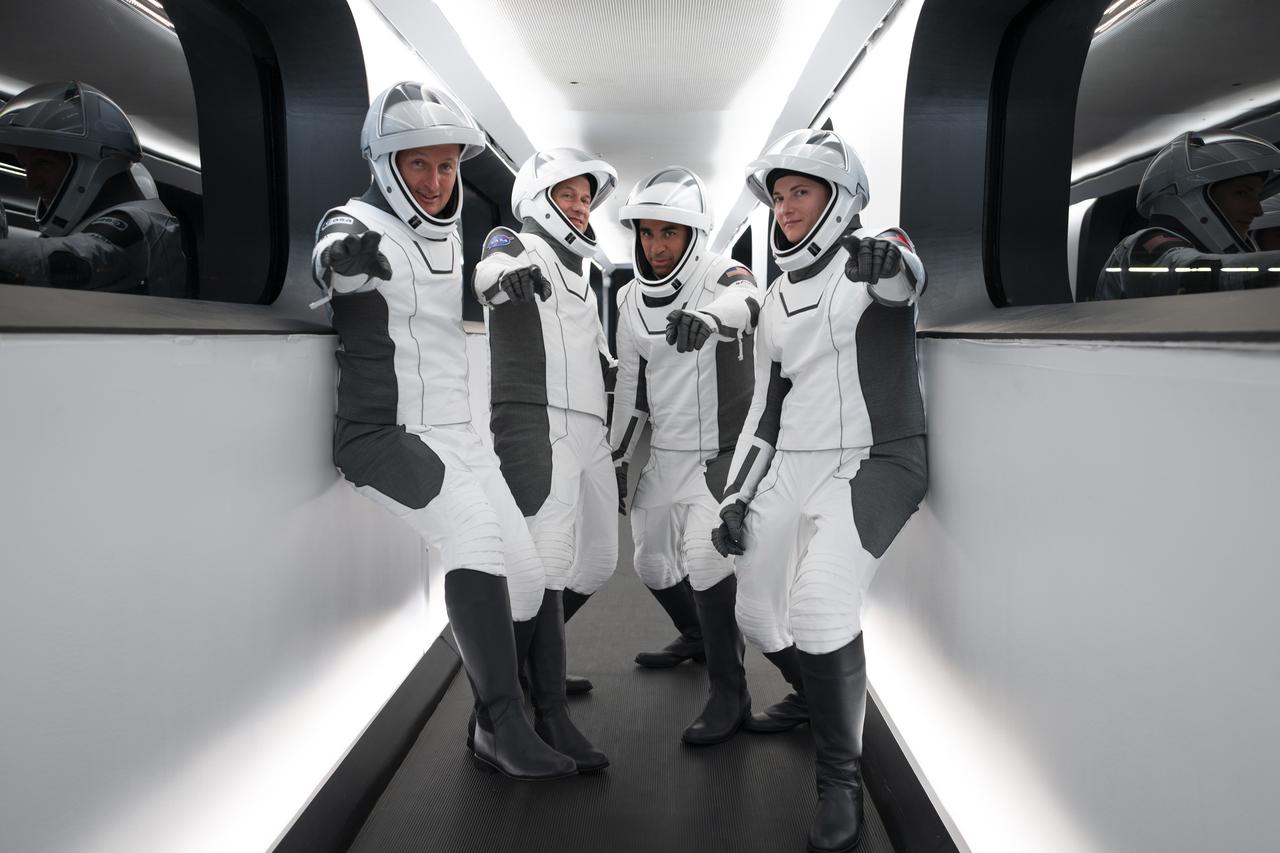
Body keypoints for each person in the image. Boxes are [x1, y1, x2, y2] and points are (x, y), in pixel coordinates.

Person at [310, 82, 606, 780]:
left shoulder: (448, 230)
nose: (437, 182)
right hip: (384, 433)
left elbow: (489, 267)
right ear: (385, 164)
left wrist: (501, 283)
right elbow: (330, 259)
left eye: (447, 166)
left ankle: (523, 715)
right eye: (419, 165)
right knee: (474, 542)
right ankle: (499, 726)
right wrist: (345, 266)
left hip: (457, 433)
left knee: (530, 577)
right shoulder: (350, 224)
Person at [712, 128, 928, 853]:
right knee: (755, 613)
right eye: (778, 196)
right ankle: (812, 694)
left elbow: (905, 277)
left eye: (800, 191)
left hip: (873, 460)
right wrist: (735, 496)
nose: (786, 207)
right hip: (792, 462)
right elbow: (763, 413)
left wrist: (891, 262)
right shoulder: (774, 297)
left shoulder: (875, 256)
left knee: (820, 605)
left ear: (838, 198)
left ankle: (842, 785)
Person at [610, 166, 761, 744]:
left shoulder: (721, 271)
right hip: (666, 454)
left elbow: (749, 298)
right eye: (647, 234)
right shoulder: (627, 296)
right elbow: (630, 384)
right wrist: (617, 455)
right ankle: (696, 636)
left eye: (668, 233)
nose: (656, 246)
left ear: (693, 235)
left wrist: (710, 317)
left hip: (718, 455)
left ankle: (731, 692)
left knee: (704, 563)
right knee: (649, 563)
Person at [473, 148, 620, 698]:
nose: (580, 208)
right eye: (568, 196)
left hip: (589, 431)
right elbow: (492, 264)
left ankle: (534, 666)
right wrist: (505, 277)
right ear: (539, 199)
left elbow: (591, 351)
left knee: (601, 559)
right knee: (548, 561)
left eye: (585, 199)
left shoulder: (579, 274)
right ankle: (513, 701)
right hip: (538, 419)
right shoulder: (520, 245)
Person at [0, 81, 185, 296]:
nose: (31, 183)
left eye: (43, 163)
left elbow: (78, 259)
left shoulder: (139, 223)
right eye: (26, 167)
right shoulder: (83, 229)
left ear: (91, 167)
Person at [1095, 130, 1280, 300]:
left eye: (1256, 196)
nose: (1258, 210)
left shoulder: (1202, 252)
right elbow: (1189, 273)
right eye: (1242, 193)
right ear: (1193, 197)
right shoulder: (1142, 246)